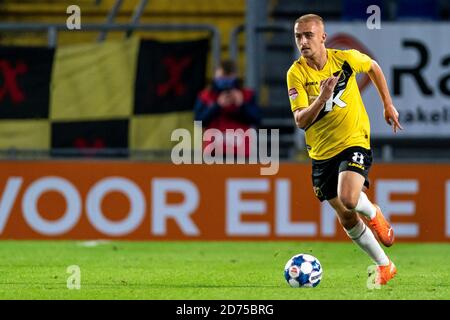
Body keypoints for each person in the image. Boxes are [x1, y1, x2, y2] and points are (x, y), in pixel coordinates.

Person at [287, 14, 403, 286]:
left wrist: (387, 104)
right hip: (320, 153)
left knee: (349, 198)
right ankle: (385, 266)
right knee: (347, 216)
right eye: (298, 36)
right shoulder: (296, 73)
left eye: (308, 35)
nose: (303, 41)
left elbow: (373, 66)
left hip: (354, 139)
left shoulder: (345, 59)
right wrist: (322, 99)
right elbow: (301, 120)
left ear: (323, 37)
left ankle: (374, 214)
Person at [194, 59, 261, 158]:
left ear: (235, 76)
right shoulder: (205, 96)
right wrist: (217, 105)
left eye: (228, 77)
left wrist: (242, 105)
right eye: (222, 77)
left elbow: (256, 119)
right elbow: (199, 120)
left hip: (241, 151)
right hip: (214, 151)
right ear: (215, 76)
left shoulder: (247, 95)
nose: (225, 81)